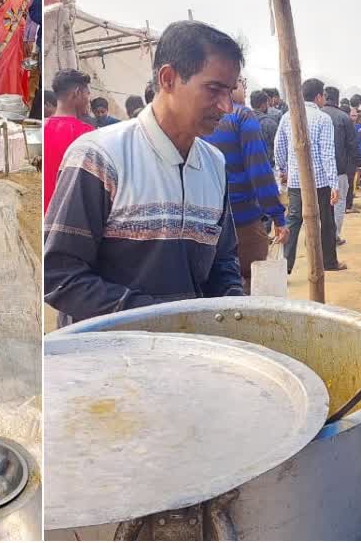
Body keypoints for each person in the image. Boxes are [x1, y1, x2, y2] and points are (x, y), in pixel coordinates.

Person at [44, 20, 244, 326]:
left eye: (230, 91)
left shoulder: (214, 164)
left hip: (189, 356)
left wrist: (229, 306)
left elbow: (223, 259)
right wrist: (159, 319)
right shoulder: (99, 156)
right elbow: (58, 275)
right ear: (168, 78)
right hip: (102, 361)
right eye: (214, 89)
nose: (226, 106)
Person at [206, 80, 289, 292]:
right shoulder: (242, 116)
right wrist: (278, 216)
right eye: (241, 82)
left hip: (204, 219)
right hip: (242, 219)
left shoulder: (197, 118)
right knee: (253, 281)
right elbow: (259, 171)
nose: (244, 88)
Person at [276, 78, 344, 273]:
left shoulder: (288, 116)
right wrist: (333, 183)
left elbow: (278, 146)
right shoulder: (322, 118)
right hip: (320, 181)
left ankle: (285, 266)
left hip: (296, 180)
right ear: (318, 97)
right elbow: (327, 153)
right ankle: (329, 262)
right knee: (326, 221)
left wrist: (283, 170)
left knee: (293, 220)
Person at [43, 69, 95, 212]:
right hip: (72, 218)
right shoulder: (88, 134)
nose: (88, 100)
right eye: (87, 94)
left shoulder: (40, 129)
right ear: (77, 93)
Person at [322, 87, 357, 244]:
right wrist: (352, 169)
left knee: (320, 204)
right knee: (339, 202)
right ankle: (334, 236)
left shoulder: (316, 115)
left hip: (317, 170)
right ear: (337, 99)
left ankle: (319, 237)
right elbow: (352, 146)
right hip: (339, 169)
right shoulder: (344, 118)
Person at [252, 88, 279, 166]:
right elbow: (278, 146)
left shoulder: (244, 121)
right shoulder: (269, 123)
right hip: (268, 165)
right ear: (263, 105)